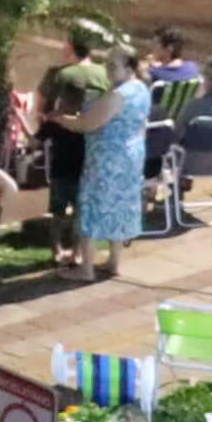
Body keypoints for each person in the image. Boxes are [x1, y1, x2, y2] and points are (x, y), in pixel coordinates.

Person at [67, 41, 150, 285]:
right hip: (132, 154)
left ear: (129, 67)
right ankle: (114, 262)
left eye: (114, 65)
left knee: (92, 204)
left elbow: (88, 124)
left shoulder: (118, 95)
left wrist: (62, 119)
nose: (109, 70)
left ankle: (87, 269)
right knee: (120, 205)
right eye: (107, 64)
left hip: (108, 158)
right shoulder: (141, 89)